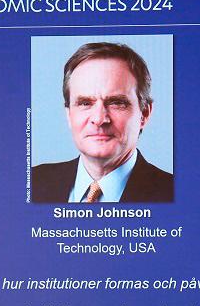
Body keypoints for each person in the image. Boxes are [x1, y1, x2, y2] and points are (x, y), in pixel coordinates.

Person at [31, 42, 173, 203]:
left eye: (117, 103)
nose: (99, 119)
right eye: (85, 103)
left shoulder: (173, 192)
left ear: (144, 114)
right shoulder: (32, 183)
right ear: (69, 114)